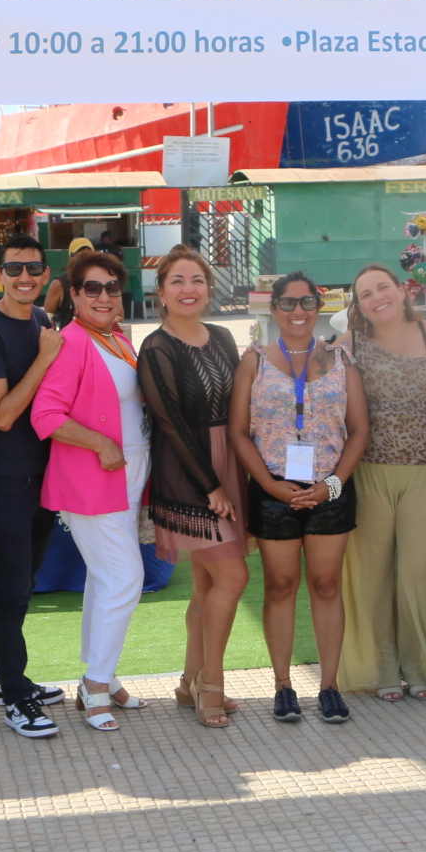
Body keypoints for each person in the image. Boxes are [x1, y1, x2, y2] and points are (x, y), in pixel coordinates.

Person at [229, 271, 368, 725]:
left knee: (326, 585)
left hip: (330, 489)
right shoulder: (253, 361)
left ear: (319, 307)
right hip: (273, 490)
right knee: (280, 586)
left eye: (307, 302)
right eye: (287, 303)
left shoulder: (342, 359)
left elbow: (359, 430)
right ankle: (283, 685)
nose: (298, 311)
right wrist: (270, 486)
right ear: (273, 309)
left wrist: (332, 485)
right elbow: (238, 432)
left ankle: (329, 686)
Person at [32, 250, 151, 732]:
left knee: (105, 580)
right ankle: (95, 683)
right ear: (75, 295)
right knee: (125, 578)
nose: (104, 296)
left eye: (112, 288)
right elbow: (46, 415)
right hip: (93, 479)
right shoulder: (72, 342)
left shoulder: (118, 339)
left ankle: (105, 671)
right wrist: (101, 443)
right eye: (93, 288)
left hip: (130, 476)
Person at [138, 247, 250, 729]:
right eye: (178, 281)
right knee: (233, 578)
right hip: (188, 473)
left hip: (231, 465)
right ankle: (211, 685)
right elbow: (170, 422)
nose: (189, 289)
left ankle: (189, 681)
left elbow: (241, 404)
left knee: (208, 584)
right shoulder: (155, 348)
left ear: (209, 288)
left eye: (197, 280)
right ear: (161, 293)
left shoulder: (223, 337)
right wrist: (210, 486)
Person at [0, 234, 65, 739]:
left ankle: (7, 677)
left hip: (48, 472)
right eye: (15, 269)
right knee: (11, 587)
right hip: (8, 477)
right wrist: (45, 358)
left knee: (24, 584)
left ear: (45, 274)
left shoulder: (41, 320)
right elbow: (1, 416)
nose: (25, 277)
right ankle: (15, 695)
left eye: (34, 269)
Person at [336, 263, 426, 701]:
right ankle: (383, 668)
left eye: (382, 287)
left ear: (402, 290)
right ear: (358, 305)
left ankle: (419, 668)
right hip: (368, 472)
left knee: (418, 574)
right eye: (365, 294)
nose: (376, 298)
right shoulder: (348, 345)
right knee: (373, 575)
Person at [42, 236, 94, 326]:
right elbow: (47, 317)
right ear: (71, 258)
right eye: (80, 255)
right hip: (69, 334)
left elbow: (117, 313)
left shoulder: (102, 282)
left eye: (89, 255)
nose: (85, 259)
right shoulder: (60, 283)